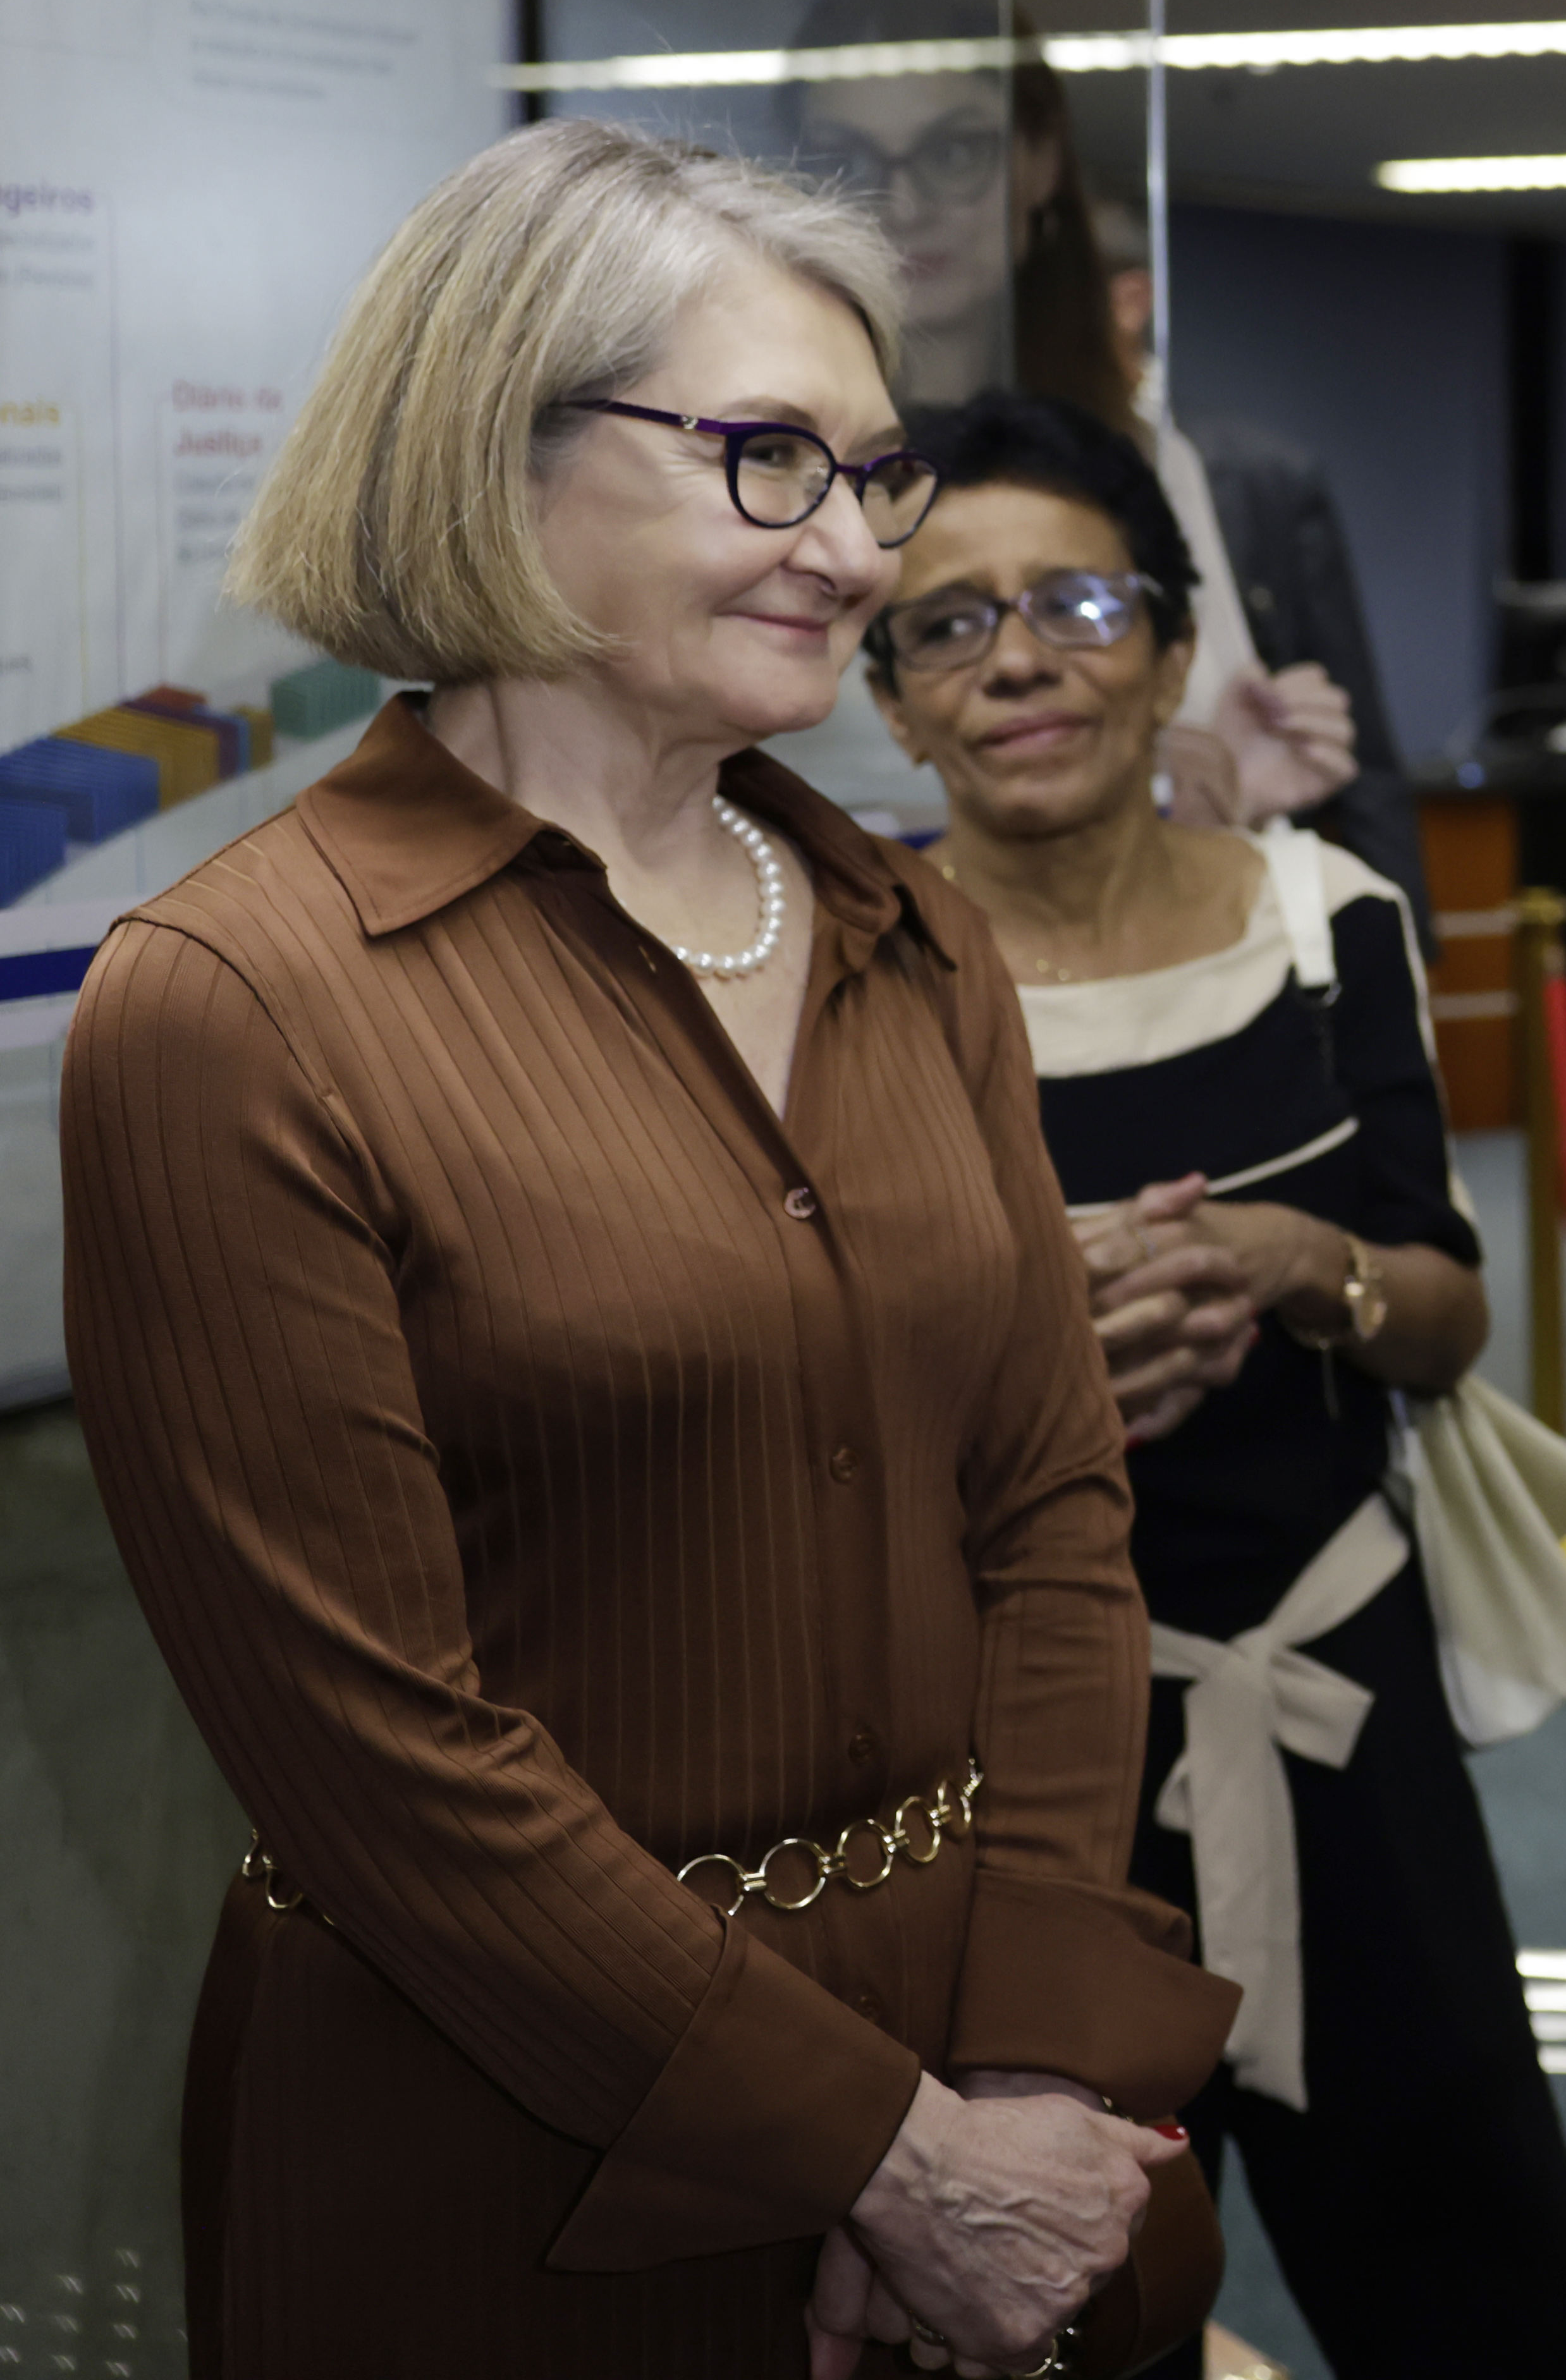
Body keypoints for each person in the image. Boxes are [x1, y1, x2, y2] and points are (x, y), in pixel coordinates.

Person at [63, 120, 1229, 2377]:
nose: (852, 549)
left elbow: (1058, 1522)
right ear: (492, 456)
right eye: (765, 459)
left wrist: (1019, 2084)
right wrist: (886, 2163)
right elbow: (379, 1755)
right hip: (500, 2123)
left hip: (978, 2050)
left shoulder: (919, 941)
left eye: (871, 475)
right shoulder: (233, 1003)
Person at [864, 390, 1566, 2380]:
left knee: (1478, 2264)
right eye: (945, 624)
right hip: (998, 1765)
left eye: (1077, 603)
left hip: (1333, 1698)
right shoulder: (843, 980)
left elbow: (1448, 1310)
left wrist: (1311, 1270)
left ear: (1176, 649)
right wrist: (1020, 1356)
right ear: (889, 702)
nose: (1018, 656)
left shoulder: (1322, 920)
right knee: (1052, 2305)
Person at [780, 0, 1361, 848]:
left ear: (1041, 160)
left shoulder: (1145, 458)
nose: (903, 203)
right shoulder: (768, 468)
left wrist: (1221, 791)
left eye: (953, 153)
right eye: (848, 160)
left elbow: (1208, 749)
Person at [1080, 190, 1428, 903]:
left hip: (1251, 875)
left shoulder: (1251, 476)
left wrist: (1405, 942)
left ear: (1130, 301)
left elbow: (1354, 728)